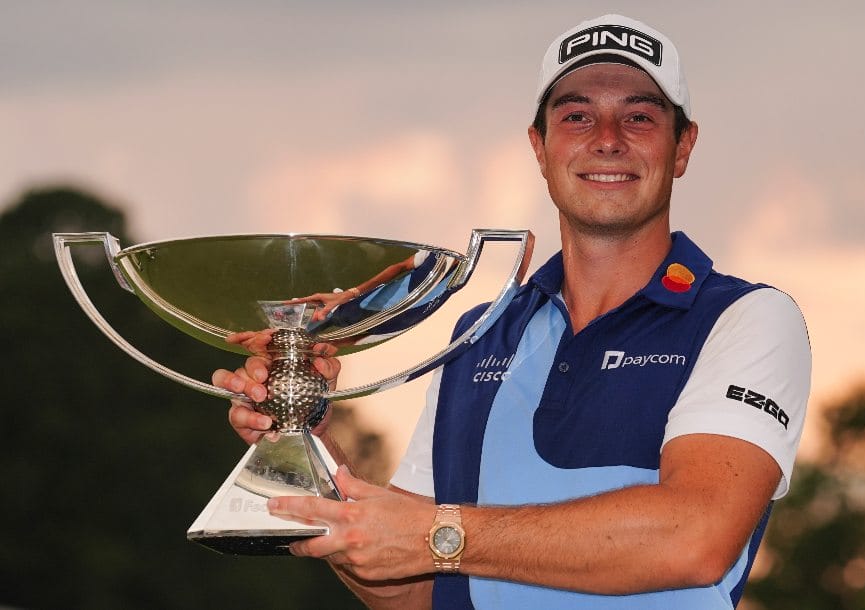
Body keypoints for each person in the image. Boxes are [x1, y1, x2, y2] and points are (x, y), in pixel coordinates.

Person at [213, 14, 811, 609]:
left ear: (683, 147)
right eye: (576, 116)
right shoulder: (478, 334)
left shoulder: (747, 318)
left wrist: (438, 534)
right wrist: (311, 440)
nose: (607, 137)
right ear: (539, 147)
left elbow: (696, 537)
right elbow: (413, 590)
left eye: (639, 116)